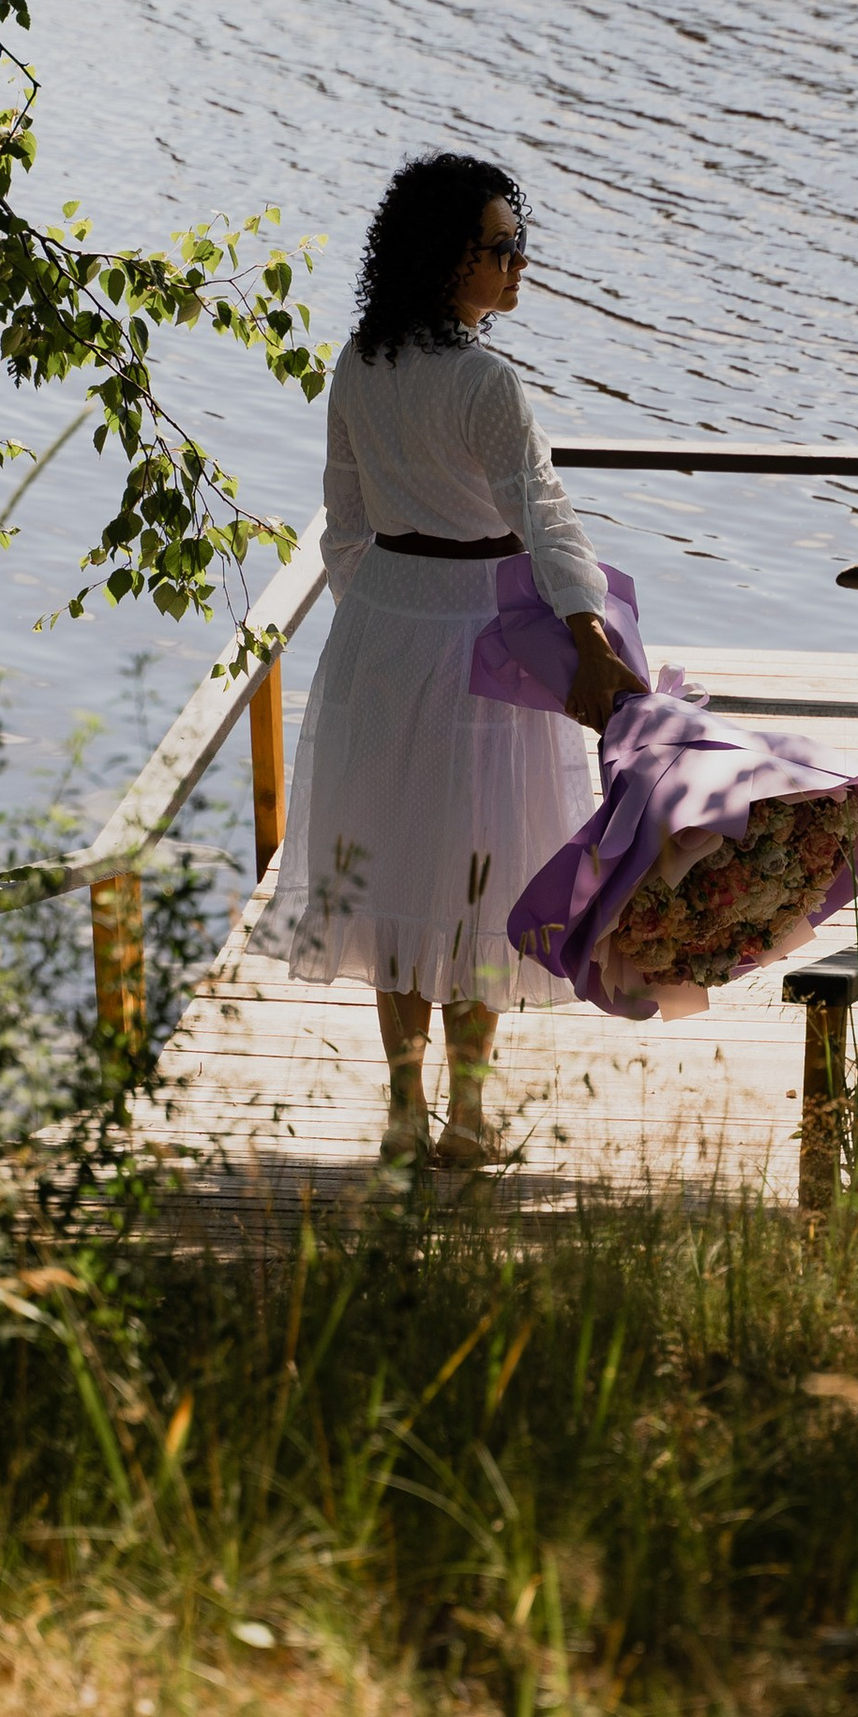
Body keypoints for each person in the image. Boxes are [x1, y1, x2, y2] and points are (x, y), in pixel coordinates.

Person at [255, 153, 647, 1162]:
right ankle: (467, 1119)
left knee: (394, 863)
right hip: (479, 635)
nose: (521, 266)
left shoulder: (359, 361)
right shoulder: (484, 381)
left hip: (380, 630)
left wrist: (377, 615)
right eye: (503, 248)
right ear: (446, 257)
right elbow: (544, 518)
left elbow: (344, 523)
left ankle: (404, 1114)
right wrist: (588, 634)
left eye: (523, 246)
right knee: (478, 868)